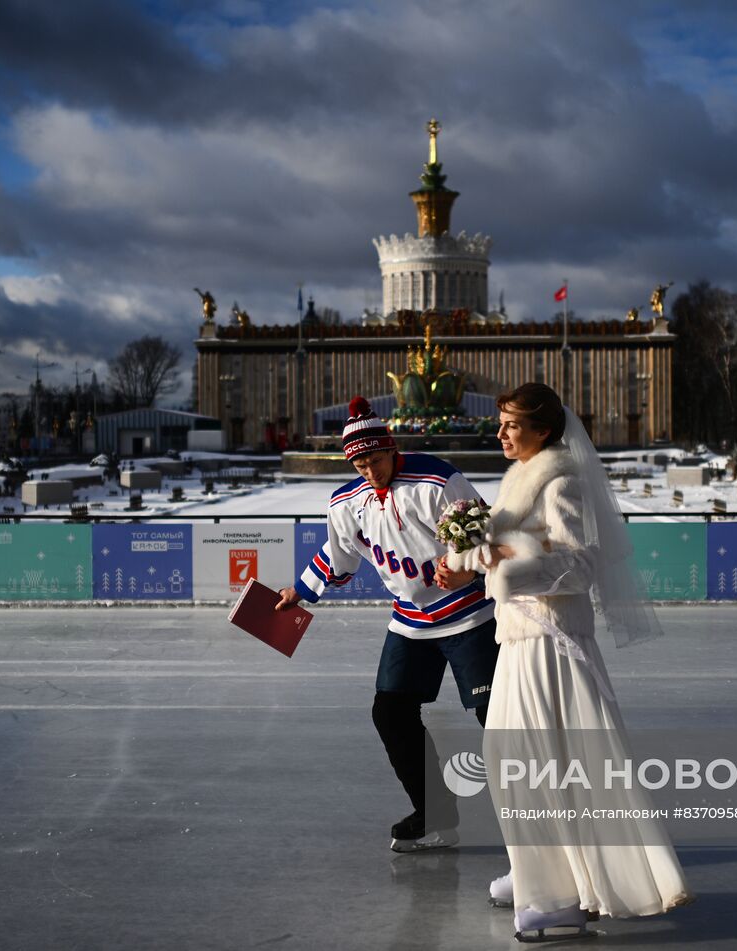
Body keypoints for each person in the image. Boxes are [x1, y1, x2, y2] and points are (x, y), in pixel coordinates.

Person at [438, 382, 692, 941]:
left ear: (544, 431)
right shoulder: (520, 478)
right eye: (501, 422)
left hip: (551, 646)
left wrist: (502, 559)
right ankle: (535, 871)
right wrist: (470, 563)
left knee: (540, 764)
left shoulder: (562, 482)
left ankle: (558, 897)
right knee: (511, 759)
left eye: (512, 424)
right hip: (521, 640)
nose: (500, 432)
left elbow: (579, 566)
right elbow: (512, 555)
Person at [275, 395, 499, 852]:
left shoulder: (437, 479)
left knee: (496, 718)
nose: (371, 472)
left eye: (376, 459)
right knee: (390, 712)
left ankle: (548, 820)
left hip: (470, 615)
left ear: (391, 448)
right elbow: (337, 559)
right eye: (360, 465)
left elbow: (488, 536)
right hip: (411, 622)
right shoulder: (345, 503)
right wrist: (297, 591)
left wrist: (469, 566)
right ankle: (435, 813)